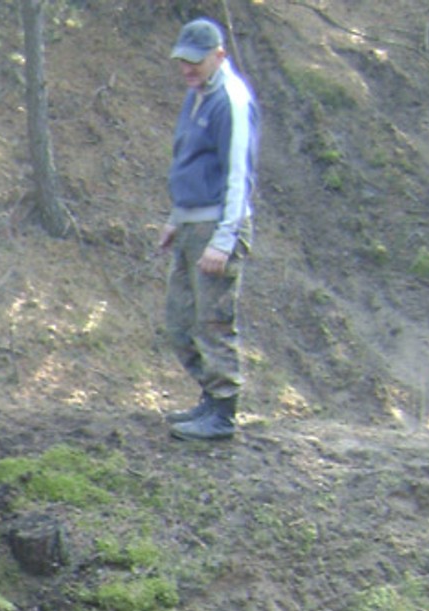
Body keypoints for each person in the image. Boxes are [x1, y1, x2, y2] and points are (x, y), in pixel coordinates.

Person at [157, 17, 259, 443]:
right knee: (180, 321)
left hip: (217, 227)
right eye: (183, 61)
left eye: (195, 62)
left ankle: (222, 412)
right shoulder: (196, 94)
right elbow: (189, 163)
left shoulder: (231, 101)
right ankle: (208, 398)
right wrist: (175, 219)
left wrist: (223, 240)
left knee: (214, 322)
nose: (187, 69)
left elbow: (239, 175)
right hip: (190, 222)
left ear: (219, 56)